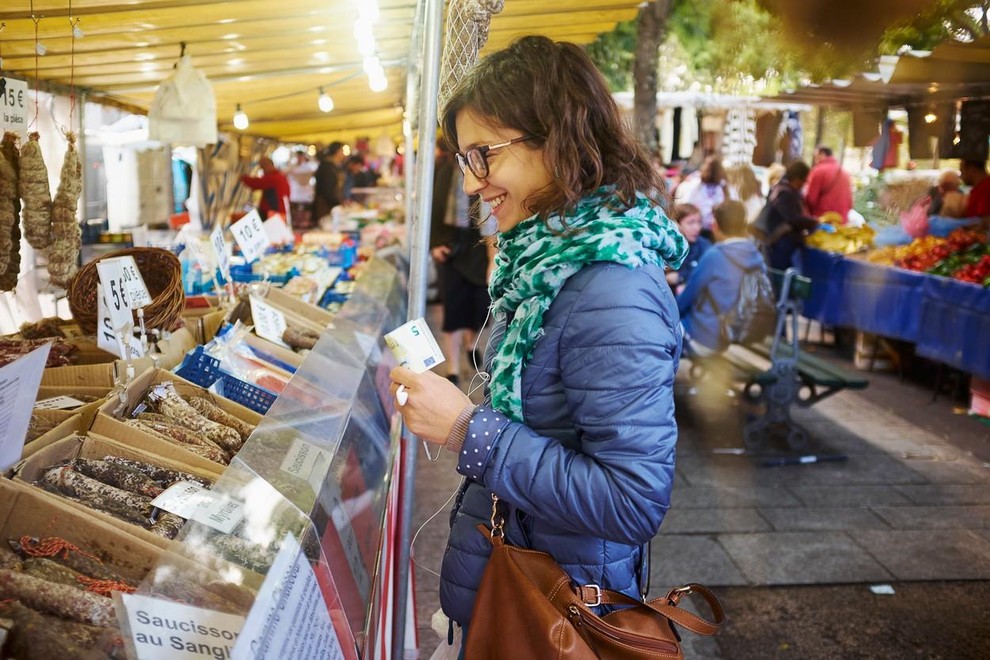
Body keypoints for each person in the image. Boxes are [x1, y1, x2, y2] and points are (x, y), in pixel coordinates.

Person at [389, 35, 687, 649]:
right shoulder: (548, 262)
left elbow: (631, 503)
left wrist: (467, 431)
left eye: (483, 156)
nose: (472, 185)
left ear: (558, 138)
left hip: (557, 611)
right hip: (525, 584)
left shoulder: (610, 290)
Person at [430, 141, 495, 387]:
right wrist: (436, 244)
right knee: (454, 312)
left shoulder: (485, 166)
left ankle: (471, 346)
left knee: (479, 308)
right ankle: (453, 370)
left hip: (480, 250)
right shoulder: (448, 169)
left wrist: (493, 260)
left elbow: (494, 219)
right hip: (453, 250)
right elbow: (434, 210)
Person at [676, 200, 767, 357]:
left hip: (704, 338)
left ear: (716, 226)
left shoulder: (715, 255)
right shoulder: (756, 255)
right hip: (735, 333)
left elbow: (684, 300)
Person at [763, 160, 819, 271]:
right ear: (797, 178)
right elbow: (793, 219)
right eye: (804, 180)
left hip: (776, 244)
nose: (804, 184)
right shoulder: (785, 193)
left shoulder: (780, 188)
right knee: (780, 280)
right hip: (780, 246)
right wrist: (813, 221)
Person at [666, 202, 711, 293]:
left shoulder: (704, 246)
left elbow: (707, 273)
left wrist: (680, 276)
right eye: (691, 223)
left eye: (699, 222)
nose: (697, 228)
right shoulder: (666, 245)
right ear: (677, 224)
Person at [687, 155, 734, 239]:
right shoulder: (725, 187)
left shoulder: (697, 186)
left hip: (706, 228)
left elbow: (690, 204)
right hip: (709, 228)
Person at [804, 145, 852, 222]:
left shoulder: (818, 171)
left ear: (822, 154)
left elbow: (811, 199)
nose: (815, 160)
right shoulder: (845, 173)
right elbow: (850, 202)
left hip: (823, 218)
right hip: (841, 219)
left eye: (816, 156)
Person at [313, 141, 347, 222]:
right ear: (337, 151)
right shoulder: (327, 167)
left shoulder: (334, 166)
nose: (344, 154)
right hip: (326, 206)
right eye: (342, 151)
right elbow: (327, 190)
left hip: (332, 204)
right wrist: (338, 202)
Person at [286, 151, 316, 228]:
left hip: (306, 196)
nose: (299, 158)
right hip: (295, 195)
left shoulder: (308, 167)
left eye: (300, 156)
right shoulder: (292, 167)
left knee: (305, 214)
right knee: (296, 215)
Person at [960, 160, 990, 228]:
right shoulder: (978, 189)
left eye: (962, 171)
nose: (961, 176)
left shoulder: (986, 188)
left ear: (972, 169)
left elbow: (986, 222)